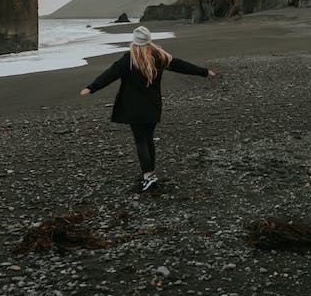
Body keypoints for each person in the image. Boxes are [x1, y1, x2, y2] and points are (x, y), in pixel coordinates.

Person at [80, 25, 216, 191]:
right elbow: (181, 65)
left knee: (140, 141)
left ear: (135, 42)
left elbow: (110, 74)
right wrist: (203, 72)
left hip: (133, 107)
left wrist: (91, 87)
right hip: (153, 105)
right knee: (148, 139)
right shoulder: (159, 57)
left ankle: (147, 176)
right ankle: (150, 172)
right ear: (149, 40)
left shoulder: (129, 59)